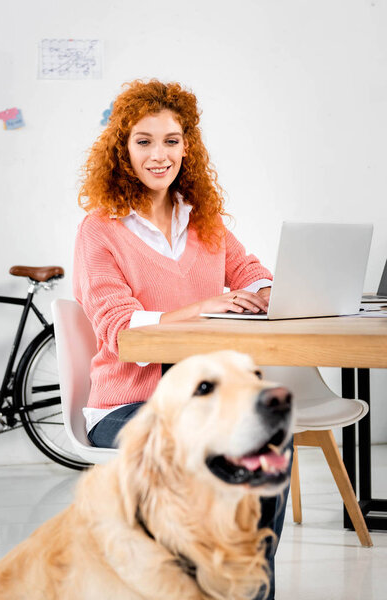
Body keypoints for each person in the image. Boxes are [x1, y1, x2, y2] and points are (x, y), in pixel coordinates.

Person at [73, 79, 290, 600]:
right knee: (214, 449)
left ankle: (248, 590)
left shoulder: (203, 221)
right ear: (122, 150)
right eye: (143, 141)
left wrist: (264, 292)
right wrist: (200, 307)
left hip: (202, 400)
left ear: (186, 147)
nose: (158, 154)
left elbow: (250, 271)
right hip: (128, 402)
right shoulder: (100, 229)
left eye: (171, 140)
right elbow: (117, 327)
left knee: (271, 448)